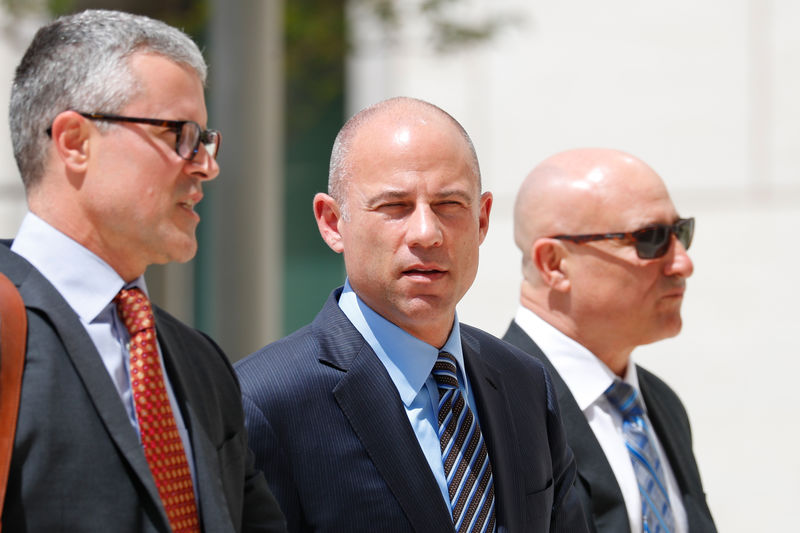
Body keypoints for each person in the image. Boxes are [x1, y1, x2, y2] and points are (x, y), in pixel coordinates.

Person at [235, 97, 588, 533]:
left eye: (449, 205)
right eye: (394, 206)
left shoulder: (524, 384)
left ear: (482, 221)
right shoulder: (263, 403)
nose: (426, 233)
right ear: (331, 222)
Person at [0, 10, 286, 532]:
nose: (205, 164)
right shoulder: (6, 321)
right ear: (74, 141)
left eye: (205, 140)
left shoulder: (200, 362)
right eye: (180, 134)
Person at [502, 148, 716, 533]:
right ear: (554, 263)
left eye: (680, 232)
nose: (683, 262)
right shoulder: (486, 409)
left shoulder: (661, 404)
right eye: (650, 238)